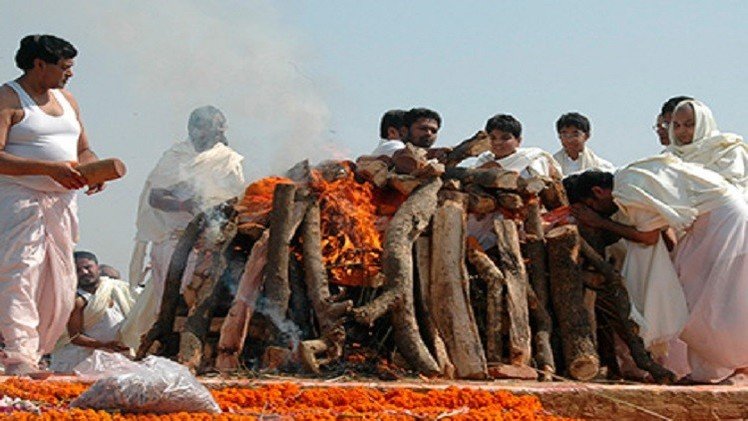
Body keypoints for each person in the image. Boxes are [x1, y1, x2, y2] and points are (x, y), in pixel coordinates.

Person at [571, 155, 748, 384]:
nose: (597, 212)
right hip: (712, 222)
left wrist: (598, 222)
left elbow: (647, 236)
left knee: (705, 301)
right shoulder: (628, 178)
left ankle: (737, 365)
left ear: (598, 192)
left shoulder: (626, 189)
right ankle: (710, 370)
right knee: (693, 295)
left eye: (592, 207)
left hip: (723, 223)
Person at [0, 35, 104, 375]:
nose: (69, 74)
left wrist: (92, 168)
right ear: (39, 65)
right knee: (20, 275)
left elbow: (83, 149)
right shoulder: (8, 98)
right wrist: (48, 170)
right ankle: (18, 356)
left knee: (58, 283)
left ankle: (36, 352)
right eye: (64, 67)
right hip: (20, 200)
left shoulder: (68, 100)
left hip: (62, 203)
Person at [121, 106, 245, 350]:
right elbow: (155, 197)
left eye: (221, 127)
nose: (217, 131)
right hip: (173, 240)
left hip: (214, 243)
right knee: (171, 301)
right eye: (209, 126)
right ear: (194, 128)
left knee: (206, 300)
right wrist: (185, 204)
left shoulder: (229, 159)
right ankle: (164, 349)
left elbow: (237, 201)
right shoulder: (176, 156)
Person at [459, 114, 561, 249]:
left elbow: (537, 187)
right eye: (493, 138)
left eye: (505, 138)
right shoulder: (484, 161)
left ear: (518, 141)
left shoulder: (532, 159)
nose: (498, 142)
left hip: (524, 217)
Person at [49, 251, 134, 373]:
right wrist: (103, 345)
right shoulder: (76, 300)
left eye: (88, 267)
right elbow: (75, 336)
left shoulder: (117, 289)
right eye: (78, 270)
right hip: (83, 361)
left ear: (97, 268)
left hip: (116, 357)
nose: (84, 272)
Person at [667, 99, 748, 197]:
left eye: (689, 124)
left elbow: (733, 192)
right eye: (676, 125)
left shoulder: (727, 150)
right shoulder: (669, 156)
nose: (682, 130)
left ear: (703, 124)